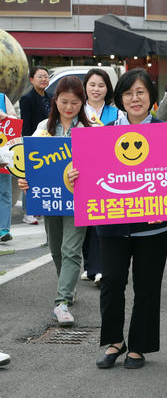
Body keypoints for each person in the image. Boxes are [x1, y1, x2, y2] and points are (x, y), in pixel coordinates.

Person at [94, 68, 167, 370]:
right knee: (112, 282)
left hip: (154, 224)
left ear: (151, 97)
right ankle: (115, 341)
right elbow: (91, 175)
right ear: (120, 98)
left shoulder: (165, 131)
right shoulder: (103, 132)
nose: (135, 98)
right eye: (128, 93)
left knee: (148, 285)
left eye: (141, 92)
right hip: (112, 222)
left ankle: (139, 345)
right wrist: (76, 177)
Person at [18, 76, 92, 326]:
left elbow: (102, 167)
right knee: (56, 248)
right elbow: (32, 167)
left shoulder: (91, 129)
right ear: (55, 101)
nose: (69, 107)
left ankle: (61, 303)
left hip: (80, 198)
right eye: (64, 102)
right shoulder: (42, 128)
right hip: (50, 199)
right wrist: (25, 181)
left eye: (74, 102)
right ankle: (68, 287)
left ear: (82, 103)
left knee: (71, 250)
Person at [80, 68, 120, 286]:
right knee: (85, 222)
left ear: (108, 89)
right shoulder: (77, 110)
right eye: (92, 85)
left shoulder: (117, 114)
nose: (96, 89)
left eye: (101, 85)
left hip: (107, 172)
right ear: (85, 86)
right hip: (82, 171)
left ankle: (99, 267)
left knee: (101, 219)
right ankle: (89, 265)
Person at [19, 66, 52, 225]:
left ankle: (42, 208)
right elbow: (25, 125)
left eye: (46, 76)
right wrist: (27, 142)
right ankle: (29, 212)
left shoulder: (51, 97)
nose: (44, 79)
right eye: (40, 76)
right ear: (32, 79)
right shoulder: (27, 99)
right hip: (34, 141)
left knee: (45, 176)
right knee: (30, 176)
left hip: (49, 142)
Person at [0, 91, 18, 242]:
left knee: (5, 191)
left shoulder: (2, 98)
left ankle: (4, 229)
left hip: (3, 153)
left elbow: (15, 120)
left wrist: (6, 117)